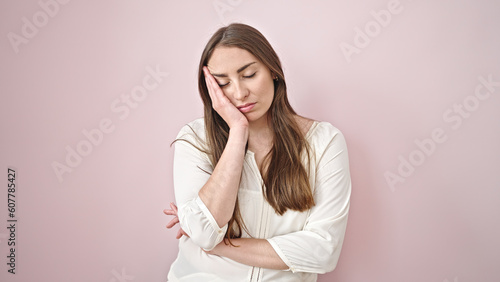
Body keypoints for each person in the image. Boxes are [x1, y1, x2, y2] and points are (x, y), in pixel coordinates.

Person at [163, 23, 351, 282]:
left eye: (249, 75)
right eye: (223, 83)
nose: (239, 93)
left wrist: (218, 245)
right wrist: (238, 132)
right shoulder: (194, 139)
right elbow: (206, 232)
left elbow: (323, 251)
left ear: (273, 71)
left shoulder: (324, 142)